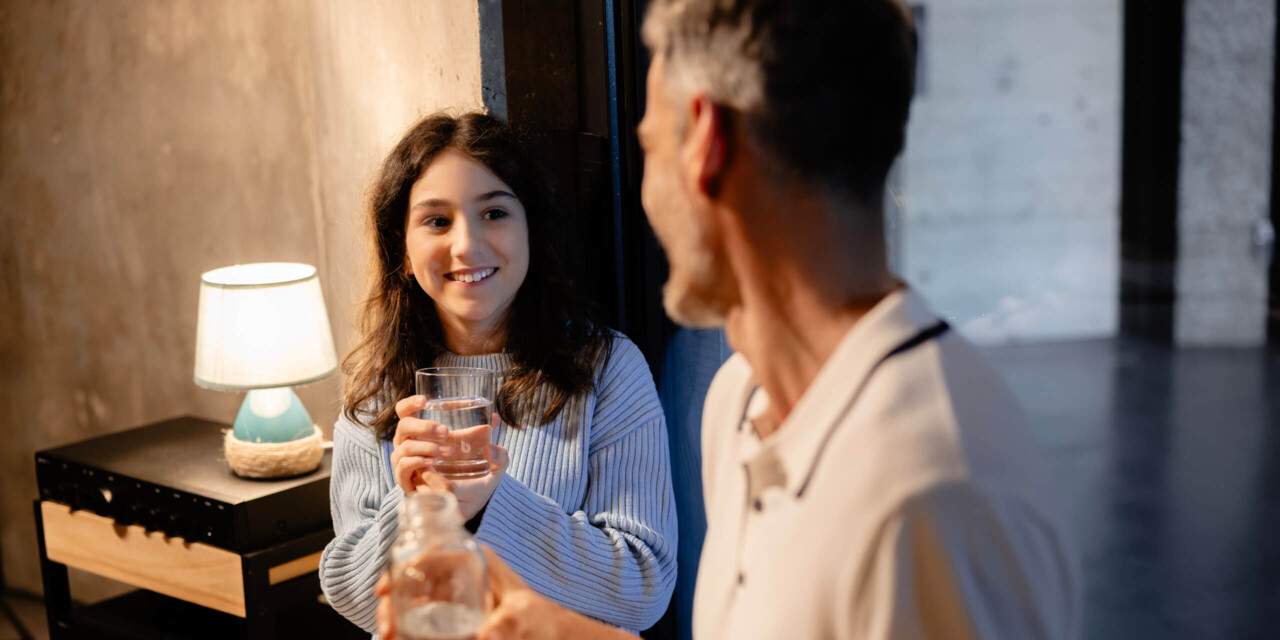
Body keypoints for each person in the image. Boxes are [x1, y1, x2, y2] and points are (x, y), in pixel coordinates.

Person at [319, 112, 677, 636]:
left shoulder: (606, 370)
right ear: (403, 247)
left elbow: (643, 589)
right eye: (437, 221)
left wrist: (491, 501)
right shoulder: (377, 389)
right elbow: (354, 599)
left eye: (493, 213)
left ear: (531, 226)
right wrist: (418, 505)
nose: (466, 245)